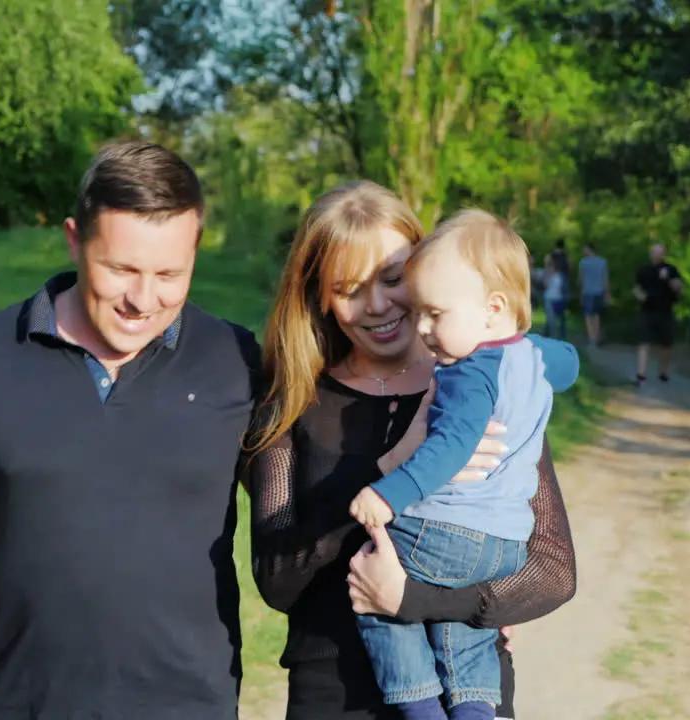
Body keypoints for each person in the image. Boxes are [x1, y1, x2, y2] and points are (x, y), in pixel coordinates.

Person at [0, 141, 262, 719]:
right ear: (73, 239)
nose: (143, 299)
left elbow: (304, 514)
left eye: (170, 274)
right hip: (20, 704)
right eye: (121, 270)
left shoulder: (237, 361)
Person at [248, 181, 579, 720]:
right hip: (335, 691)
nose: (377, 304)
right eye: (348, 287)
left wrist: (425, 602)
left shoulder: (481, 385)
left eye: (393, 278)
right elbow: (277, 576)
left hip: (463, 691)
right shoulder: (294, 402)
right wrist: (389, 464)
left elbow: (552, 568)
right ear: (320, 297)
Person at [347, 210, 580, 720]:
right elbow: (570, 363)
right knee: (468, 635)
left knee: (373, 583)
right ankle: (474, 710)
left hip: (449, 531)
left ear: (492, 308)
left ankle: (420, 706)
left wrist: (387, 494)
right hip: (506, 545)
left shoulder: (467, 373)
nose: (424, 329)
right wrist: (537, 343)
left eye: (435, 314)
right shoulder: (535, 356)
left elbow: (448, 448)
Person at [632, 243, 682, 385]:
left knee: (666, 344)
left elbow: (678, 288)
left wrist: (668, 280)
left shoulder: (671, 269)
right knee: (644, 342)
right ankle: (641, 374)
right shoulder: (644, 270)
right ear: (651, 254)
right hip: (648, 311)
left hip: (665, 311)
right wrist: (642, 298)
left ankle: (663, 372)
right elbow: (636, 288)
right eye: (655, 252)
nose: (658, 255)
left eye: (661, 252)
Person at [577, 243, 610, 346]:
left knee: (587, 315)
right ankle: (595, 336)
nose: (583, 252)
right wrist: (607, 293)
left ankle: (591, 337)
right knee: (596, 315)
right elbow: (605, 279)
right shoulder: (603, 262)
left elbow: (580, 280)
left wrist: (579, 288)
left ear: (589, 250)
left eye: (584, 249)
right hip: (599, 292)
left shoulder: (583, 262)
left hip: (587, 292)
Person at [542, 254, 566, 340]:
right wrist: (548, 275)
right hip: (549, 299)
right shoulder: (547, 275)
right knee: (551, 320)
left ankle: (558, 335)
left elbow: (563, 288)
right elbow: (545, 285)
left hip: (558, 299)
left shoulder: (560, 275)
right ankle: (553, 336)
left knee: (560, 319)